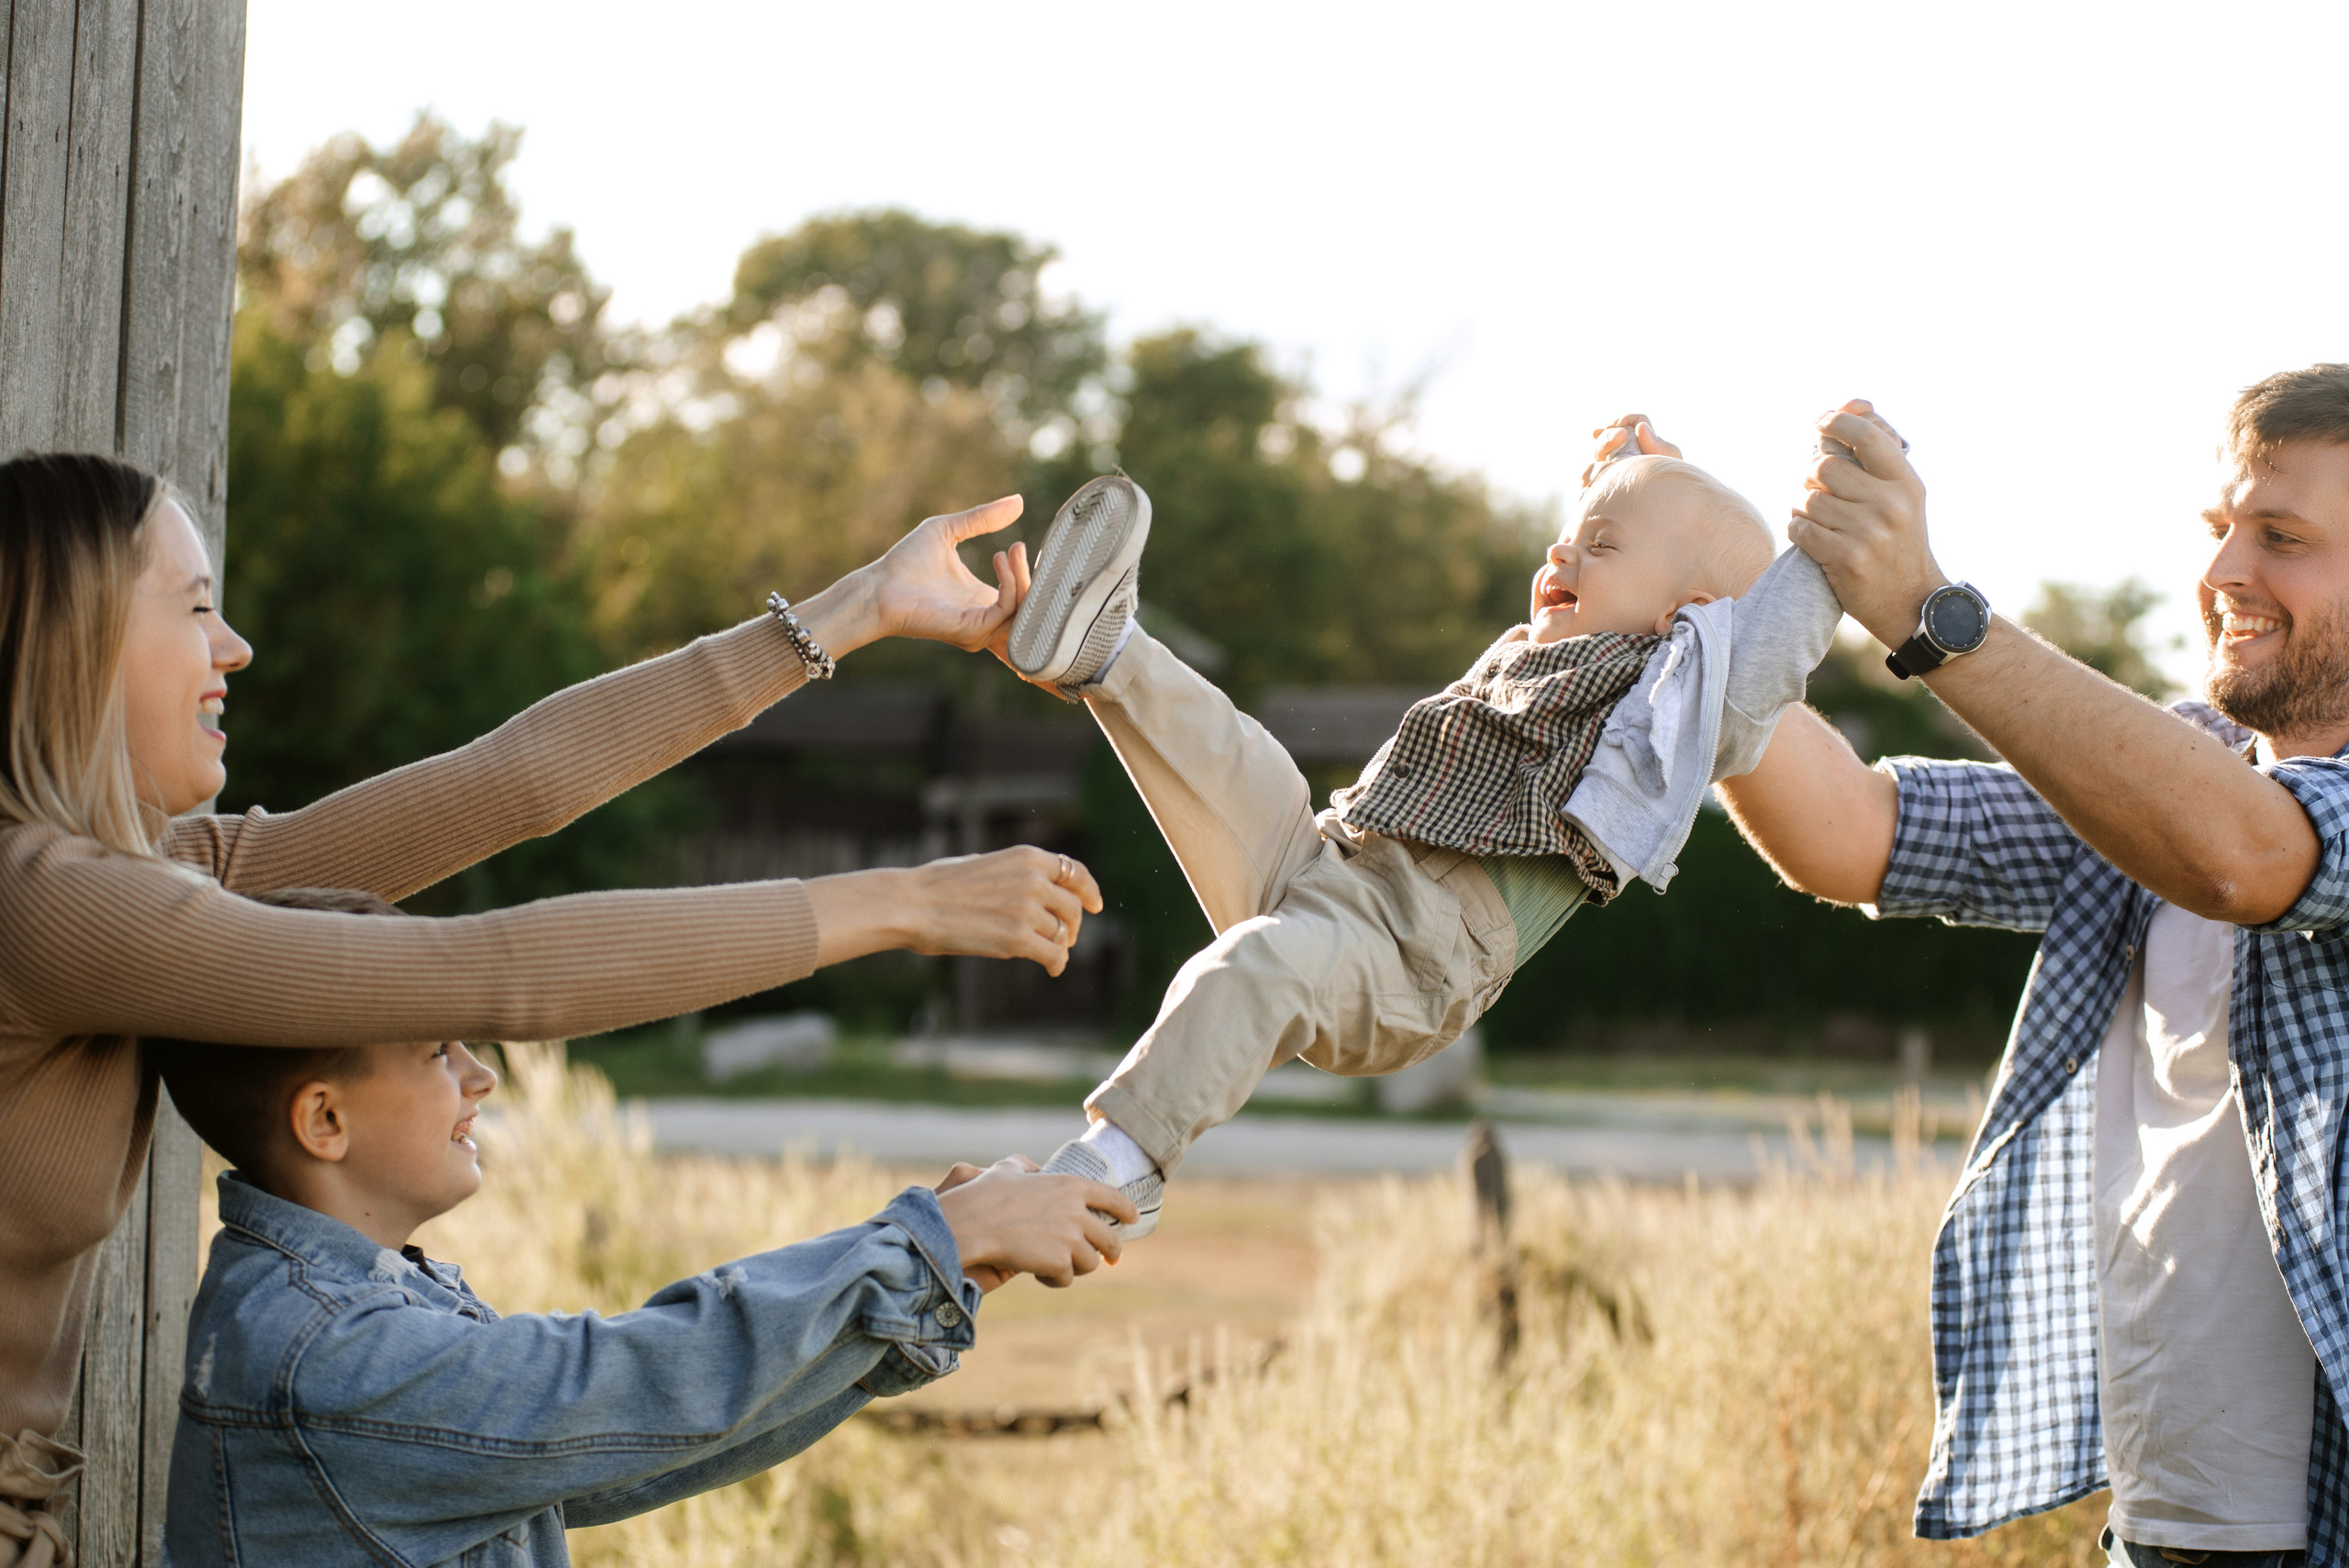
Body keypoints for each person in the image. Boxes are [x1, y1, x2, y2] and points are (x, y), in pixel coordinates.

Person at [0, 451, 1101, 1547]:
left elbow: (510, 781)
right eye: (195, 609)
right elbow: (489, 971)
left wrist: (857, 608)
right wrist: (904, 903)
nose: (232, 645)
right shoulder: (44, 906)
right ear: (75, 638)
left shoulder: (146, 871)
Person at [1653, 371, 2349, 1566]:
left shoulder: (2208, 819)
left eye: (2281, 538)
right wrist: (1697, 611)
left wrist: (1927, 609)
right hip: (2167, 1530)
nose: (2226, 571)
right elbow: (1854, 832)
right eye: (2220, 529)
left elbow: (2251, 858)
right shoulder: (2169, 777)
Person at [142, 885, 1133, 1565]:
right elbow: (623, 1383)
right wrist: (933, 1241)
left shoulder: (345, 1301)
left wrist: (931, 1275)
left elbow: (633, 1444)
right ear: (325, 1120)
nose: (481, 1074)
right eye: (436, 1047)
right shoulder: (324, 1355)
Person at [985, 458, 1843, 1232]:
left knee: (1254, 965)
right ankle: (1108, 648)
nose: (1560, 558)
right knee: (1245, 760)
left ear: (1689, 621)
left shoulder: (1668, 724)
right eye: (1566, 541)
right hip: (1334, 858)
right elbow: (1653, 548)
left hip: (1406, 956)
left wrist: (1841, 522)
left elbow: (1769, 639)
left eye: (1600, 548)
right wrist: (1629, 472)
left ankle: (1123, 1167)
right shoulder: (1542, 658)